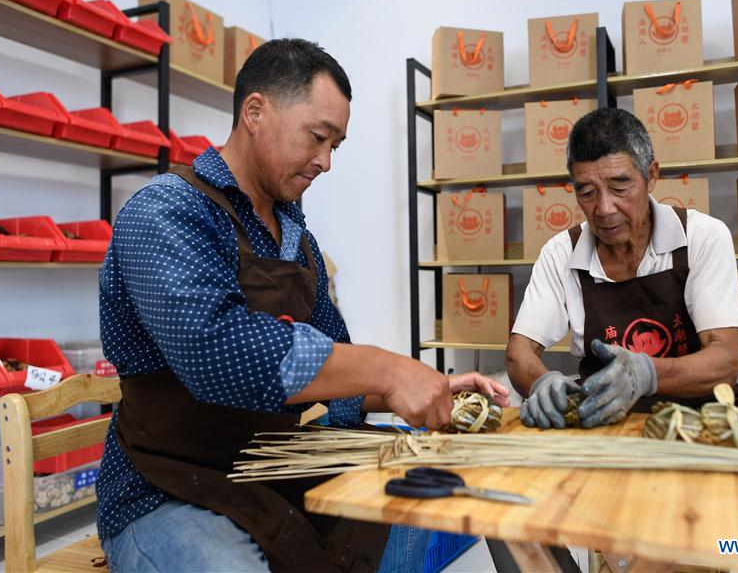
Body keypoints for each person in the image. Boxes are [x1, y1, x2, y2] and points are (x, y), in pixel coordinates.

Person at [96, 38, 509, 573]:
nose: (326, 162)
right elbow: (217, 352)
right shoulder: (165, 213)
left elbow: (335, 358)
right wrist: (388, 368)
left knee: (424, 489)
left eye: (336, 144)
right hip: (169, 485)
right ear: (255, 112)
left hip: (271, 464)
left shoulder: (293, 233)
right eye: (318, 138)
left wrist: (418, 389)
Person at [505, 107, 738, 464]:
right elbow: (519, 353)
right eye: (587, 192)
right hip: (606, 425)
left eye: (620, 186)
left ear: (652, 175)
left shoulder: (701, 237)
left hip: (703, 419)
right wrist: (541, 382)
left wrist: (647, 374)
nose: (604, 208)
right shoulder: (560, 253)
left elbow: (726, 359)